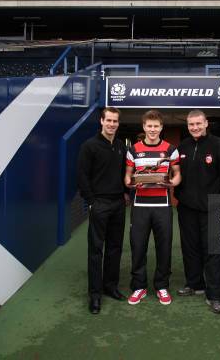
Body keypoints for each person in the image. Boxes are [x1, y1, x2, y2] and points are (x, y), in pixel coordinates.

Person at [174, 110, 220, 314]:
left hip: (214, 209)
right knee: (190, 248)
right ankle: (195, 284)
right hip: (187, 208)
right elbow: (175, 174)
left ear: (206, 123)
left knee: (214, 252)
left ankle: (215, 295)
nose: (195, 127)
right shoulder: (182, 146)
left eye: (198, 123)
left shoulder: (219, 146)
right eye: (191, 124)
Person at [124, 110, 181, 306]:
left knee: (163, 247)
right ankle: (139, 286)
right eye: (149, 126)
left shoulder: (170, 149)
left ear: (161, 128)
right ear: (144, 127)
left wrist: (172, 182)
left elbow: (177, 174)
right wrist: (131, 183)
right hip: (139, 206)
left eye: (156, 126)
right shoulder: (133, 150)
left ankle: (162, 286)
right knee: (138, 247)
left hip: (163, 206)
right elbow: (128, 175)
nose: (152, 129)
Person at [77, 107, 129, 314]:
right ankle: (95, 294)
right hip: (99, 204)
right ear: (101, 121)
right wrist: (91, 201)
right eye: (108, 120)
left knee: (115, 248)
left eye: (115, 121)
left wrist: (125, 193)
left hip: (118, 204)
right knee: (96, 250)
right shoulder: (89, 146)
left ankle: (110, 287)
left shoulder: (120, 146)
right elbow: (82, 177)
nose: (111, 124)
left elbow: (124, 172)